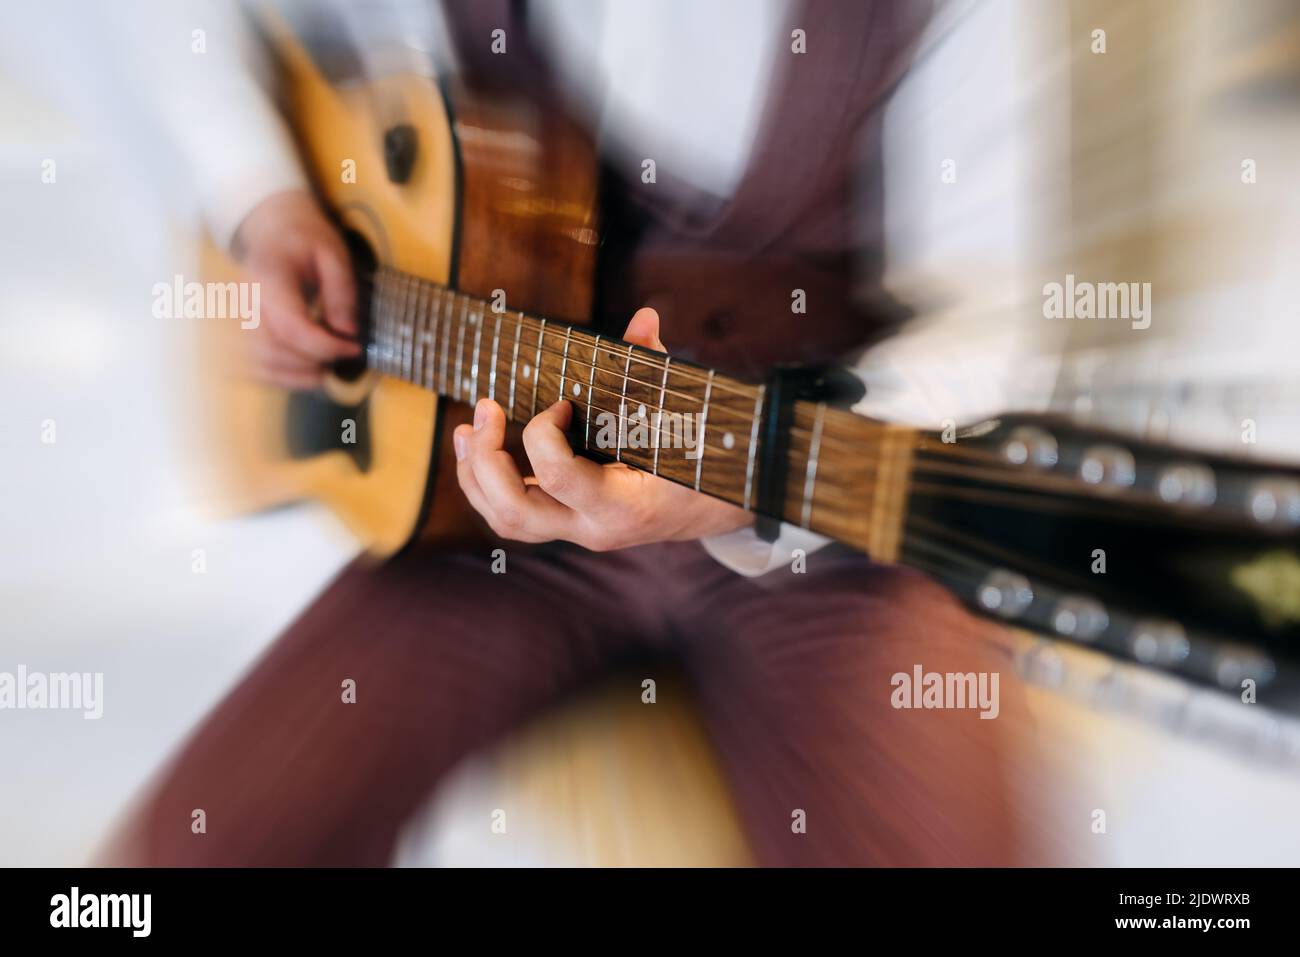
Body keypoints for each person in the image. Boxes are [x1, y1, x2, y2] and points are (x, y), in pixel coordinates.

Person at [104, 0, 1070, 865]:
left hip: (828, 518)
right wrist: (257, 197)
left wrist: (746, 478)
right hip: (484, 509)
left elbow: (997, 331)